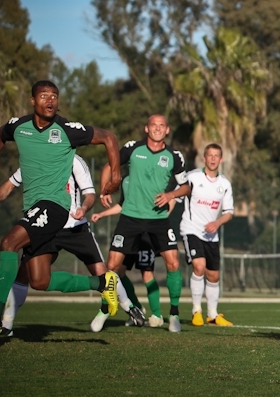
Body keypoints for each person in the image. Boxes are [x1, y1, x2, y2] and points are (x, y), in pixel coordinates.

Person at [0, 80, 121, 336]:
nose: (50, 100)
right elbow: (0, 134)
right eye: (44, 95)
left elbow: (109, 138)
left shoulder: (67, 129)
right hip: (34, 209)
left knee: (8, 243)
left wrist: (115, 176)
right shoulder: (19, 126)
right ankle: (102, 281)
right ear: (33, 101)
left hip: (54, 206)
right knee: (39, 280)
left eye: (54, 96)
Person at [0, 155, 145, 335]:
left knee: (104, 273)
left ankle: (129, 307)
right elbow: (11, 183)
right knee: (27, 275)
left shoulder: (74, 160)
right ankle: (6, 325)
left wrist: (83, 209)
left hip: (74, 227)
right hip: (46, 226)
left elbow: (90, 194)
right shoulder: (35, 157)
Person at [99, 114, 190, 333]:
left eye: (161, 126)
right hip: (130, 217)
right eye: (153, 125)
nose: (157, 128)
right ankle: (104, 309)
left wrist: (171, 195)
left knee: (173, 263)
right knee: (111, 266)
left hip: (158, 219)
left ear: (167, 130)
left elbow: (186, 187)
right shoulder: (132, 149)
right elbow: (108, 166)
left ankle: (174, 314)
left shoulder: (174, 156)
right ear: (146, 128)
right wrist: (104, 189)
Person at [91, 176, 168, 329]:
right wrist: (102, 214)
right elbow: (122, 205)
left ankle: (157, 315)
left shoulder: (155, 179)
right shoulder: (126, 181)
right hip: (129, 232)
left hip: (146, 233)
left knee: (147, 274)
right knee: (117, 271)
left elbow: (167, 201)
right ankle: (136, 308)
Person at [180, 143, 234, 327]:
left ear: (221, 159)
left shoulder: (225, 184)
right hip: (191, 229)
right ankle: (196, 311)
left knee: (213, 276)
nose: (212, 158)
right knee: (199, 266)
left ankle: (212, 314)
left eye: (216, 155)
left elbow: (229, 212)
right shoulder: (192, 177)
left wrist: (217, 223)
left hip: (212, 236)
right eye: (209, 155)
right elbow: (177, 196)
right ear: (204, 158)